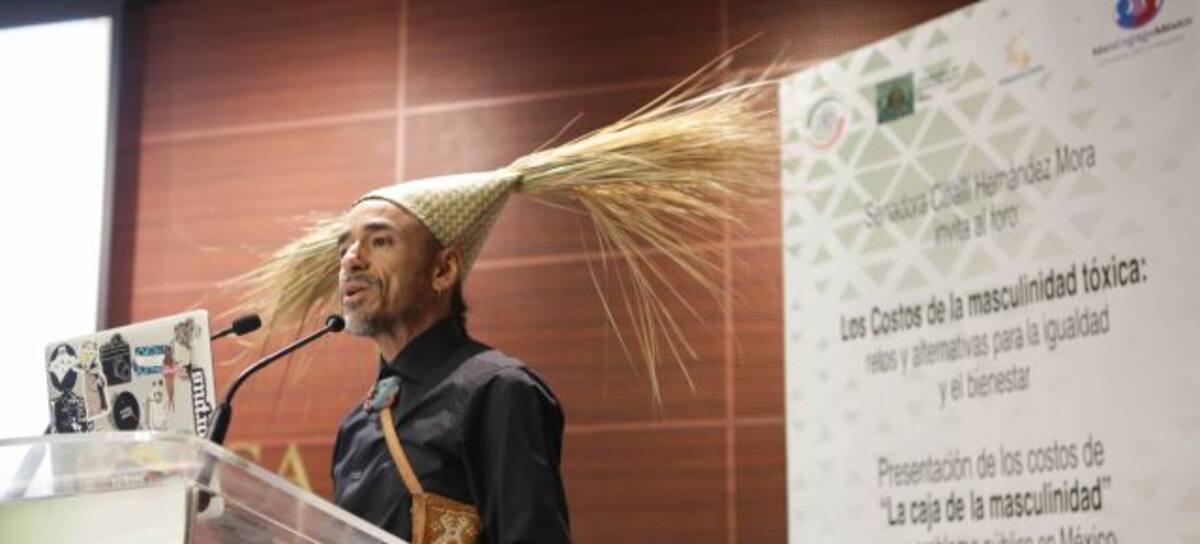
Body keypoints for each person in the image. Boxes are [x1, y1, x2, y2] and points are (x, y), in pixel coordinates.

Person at [329, 194, 570, 543]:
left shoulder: (497, 389)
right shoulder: (355, 426)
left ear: (443, 270)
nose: (351, 259)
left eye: (380, 241)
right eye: (343, 249)